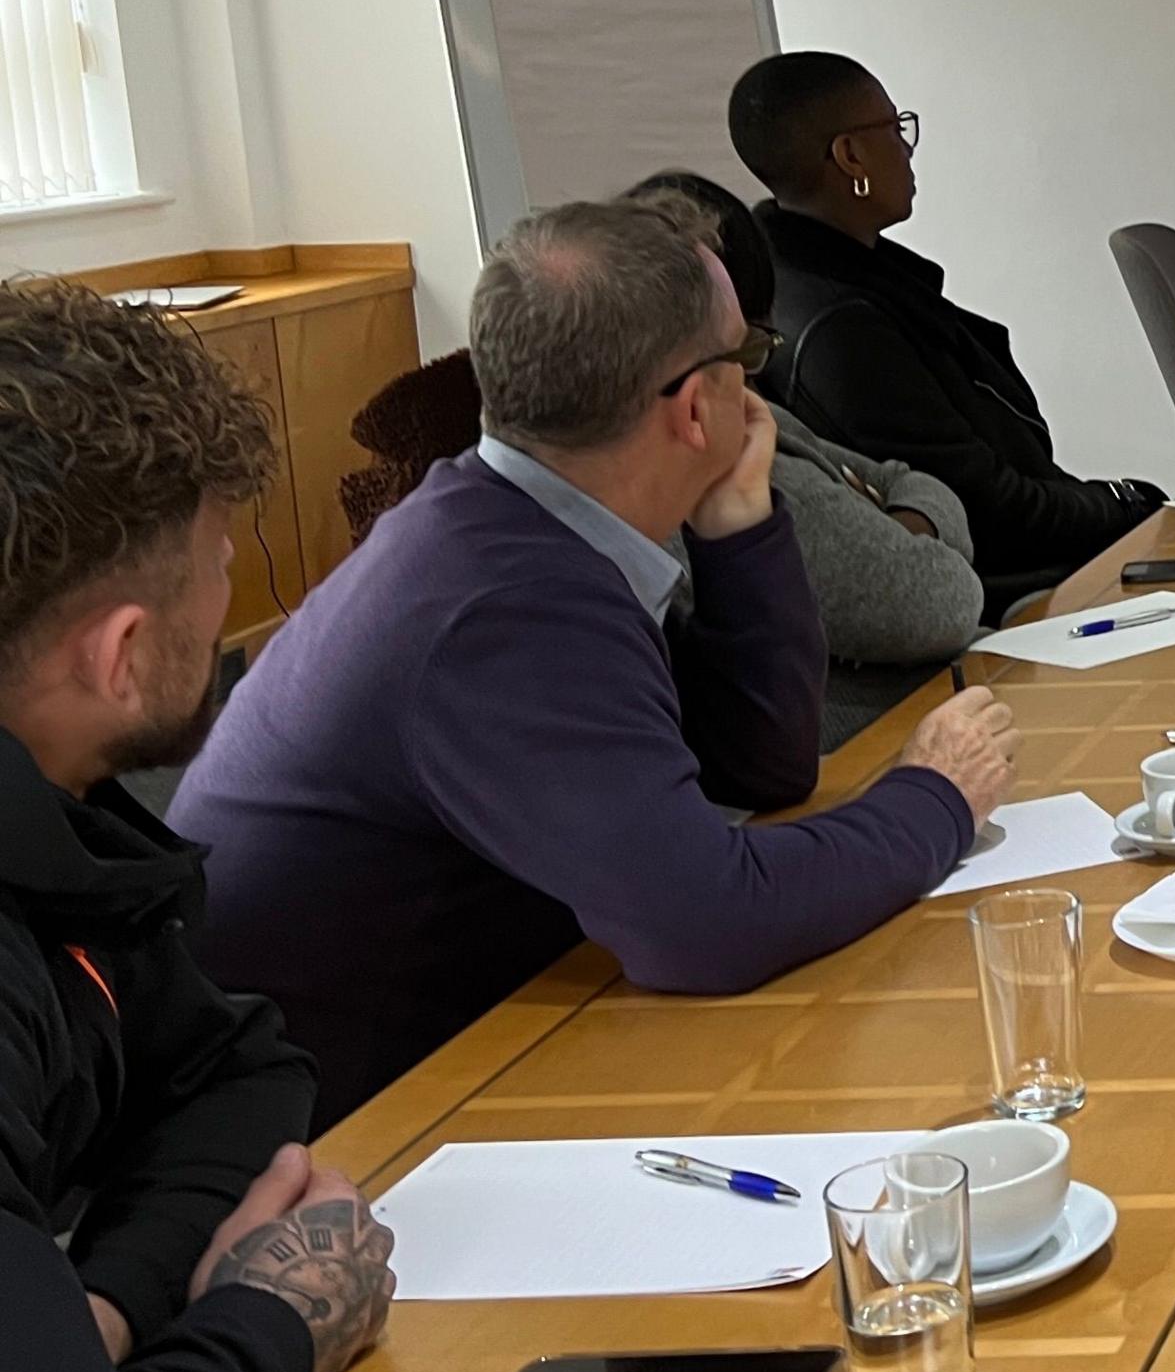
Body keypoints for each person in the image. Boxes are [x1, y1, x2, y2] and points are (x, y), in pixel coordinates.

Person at [180, 195, 1019, 1125]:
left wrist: (737, 526)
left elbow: (760, 766)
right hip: (352, 1130)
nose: (757, 393)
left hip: (468, 1043)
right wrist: (937, 795)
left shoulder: (512, 522)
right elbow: (708, 924)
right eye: (745, 358)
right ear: (696, 406)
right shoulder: (506, 608)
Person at [0, 280, 397, 1372]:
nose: (231, 600)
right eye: (221, 565)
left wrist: (109, 1306)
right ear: (119, 654)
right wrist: (271, 1317)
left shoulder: (58, 830)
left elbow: (235, 1073)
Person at [729, 51, 1163, 617]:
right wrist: (1127, 502)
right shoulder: (843, 332)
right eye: (895, 129)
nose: (908, 149)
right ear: (850, 154)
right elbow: (990, 510)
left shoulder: (812, 279)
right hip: (1006, 599)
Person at [634, 171, 987, 746]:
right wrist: (888, 525)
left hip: (918, 715)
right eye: (748, 348)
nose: (750, 378)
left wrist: (895, 526)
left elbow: (908, 479)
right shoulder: (739, 462)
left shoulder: (754, 418)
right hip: (884, 743)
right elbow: (946, 601)